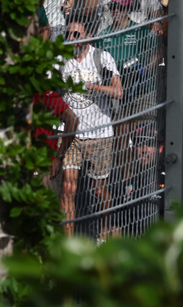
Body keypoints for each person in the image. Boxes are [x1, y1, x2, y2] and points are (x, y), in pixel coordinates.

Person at [58, 23, 123, 237]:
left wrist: (94, 86)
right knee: (68, 189)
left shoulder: (102, 58)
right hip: (71, 134)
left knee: (98, 189)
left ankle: (107, 226)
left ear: (88, 36)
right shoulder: (61, 60)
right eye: (68, 34)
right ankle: (68, 241)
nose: (72, 38)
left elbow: (118, 92)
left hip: (99, 133)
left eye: (77, 34)